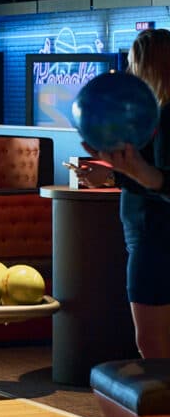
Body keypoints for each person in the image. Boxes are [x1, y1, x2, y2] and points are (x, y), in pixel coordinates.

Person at [74, 28, 170, 359]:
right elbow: (152, 176)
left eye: (132, 63)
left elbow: (162, 181)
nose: (129, 72)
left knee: (152, 344)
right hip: (152, 239)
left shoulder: (165, 117)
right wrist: (114, 174)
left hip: (155, 242)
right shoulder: (155, 117)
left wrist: (120, 173)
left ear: (149, 66)